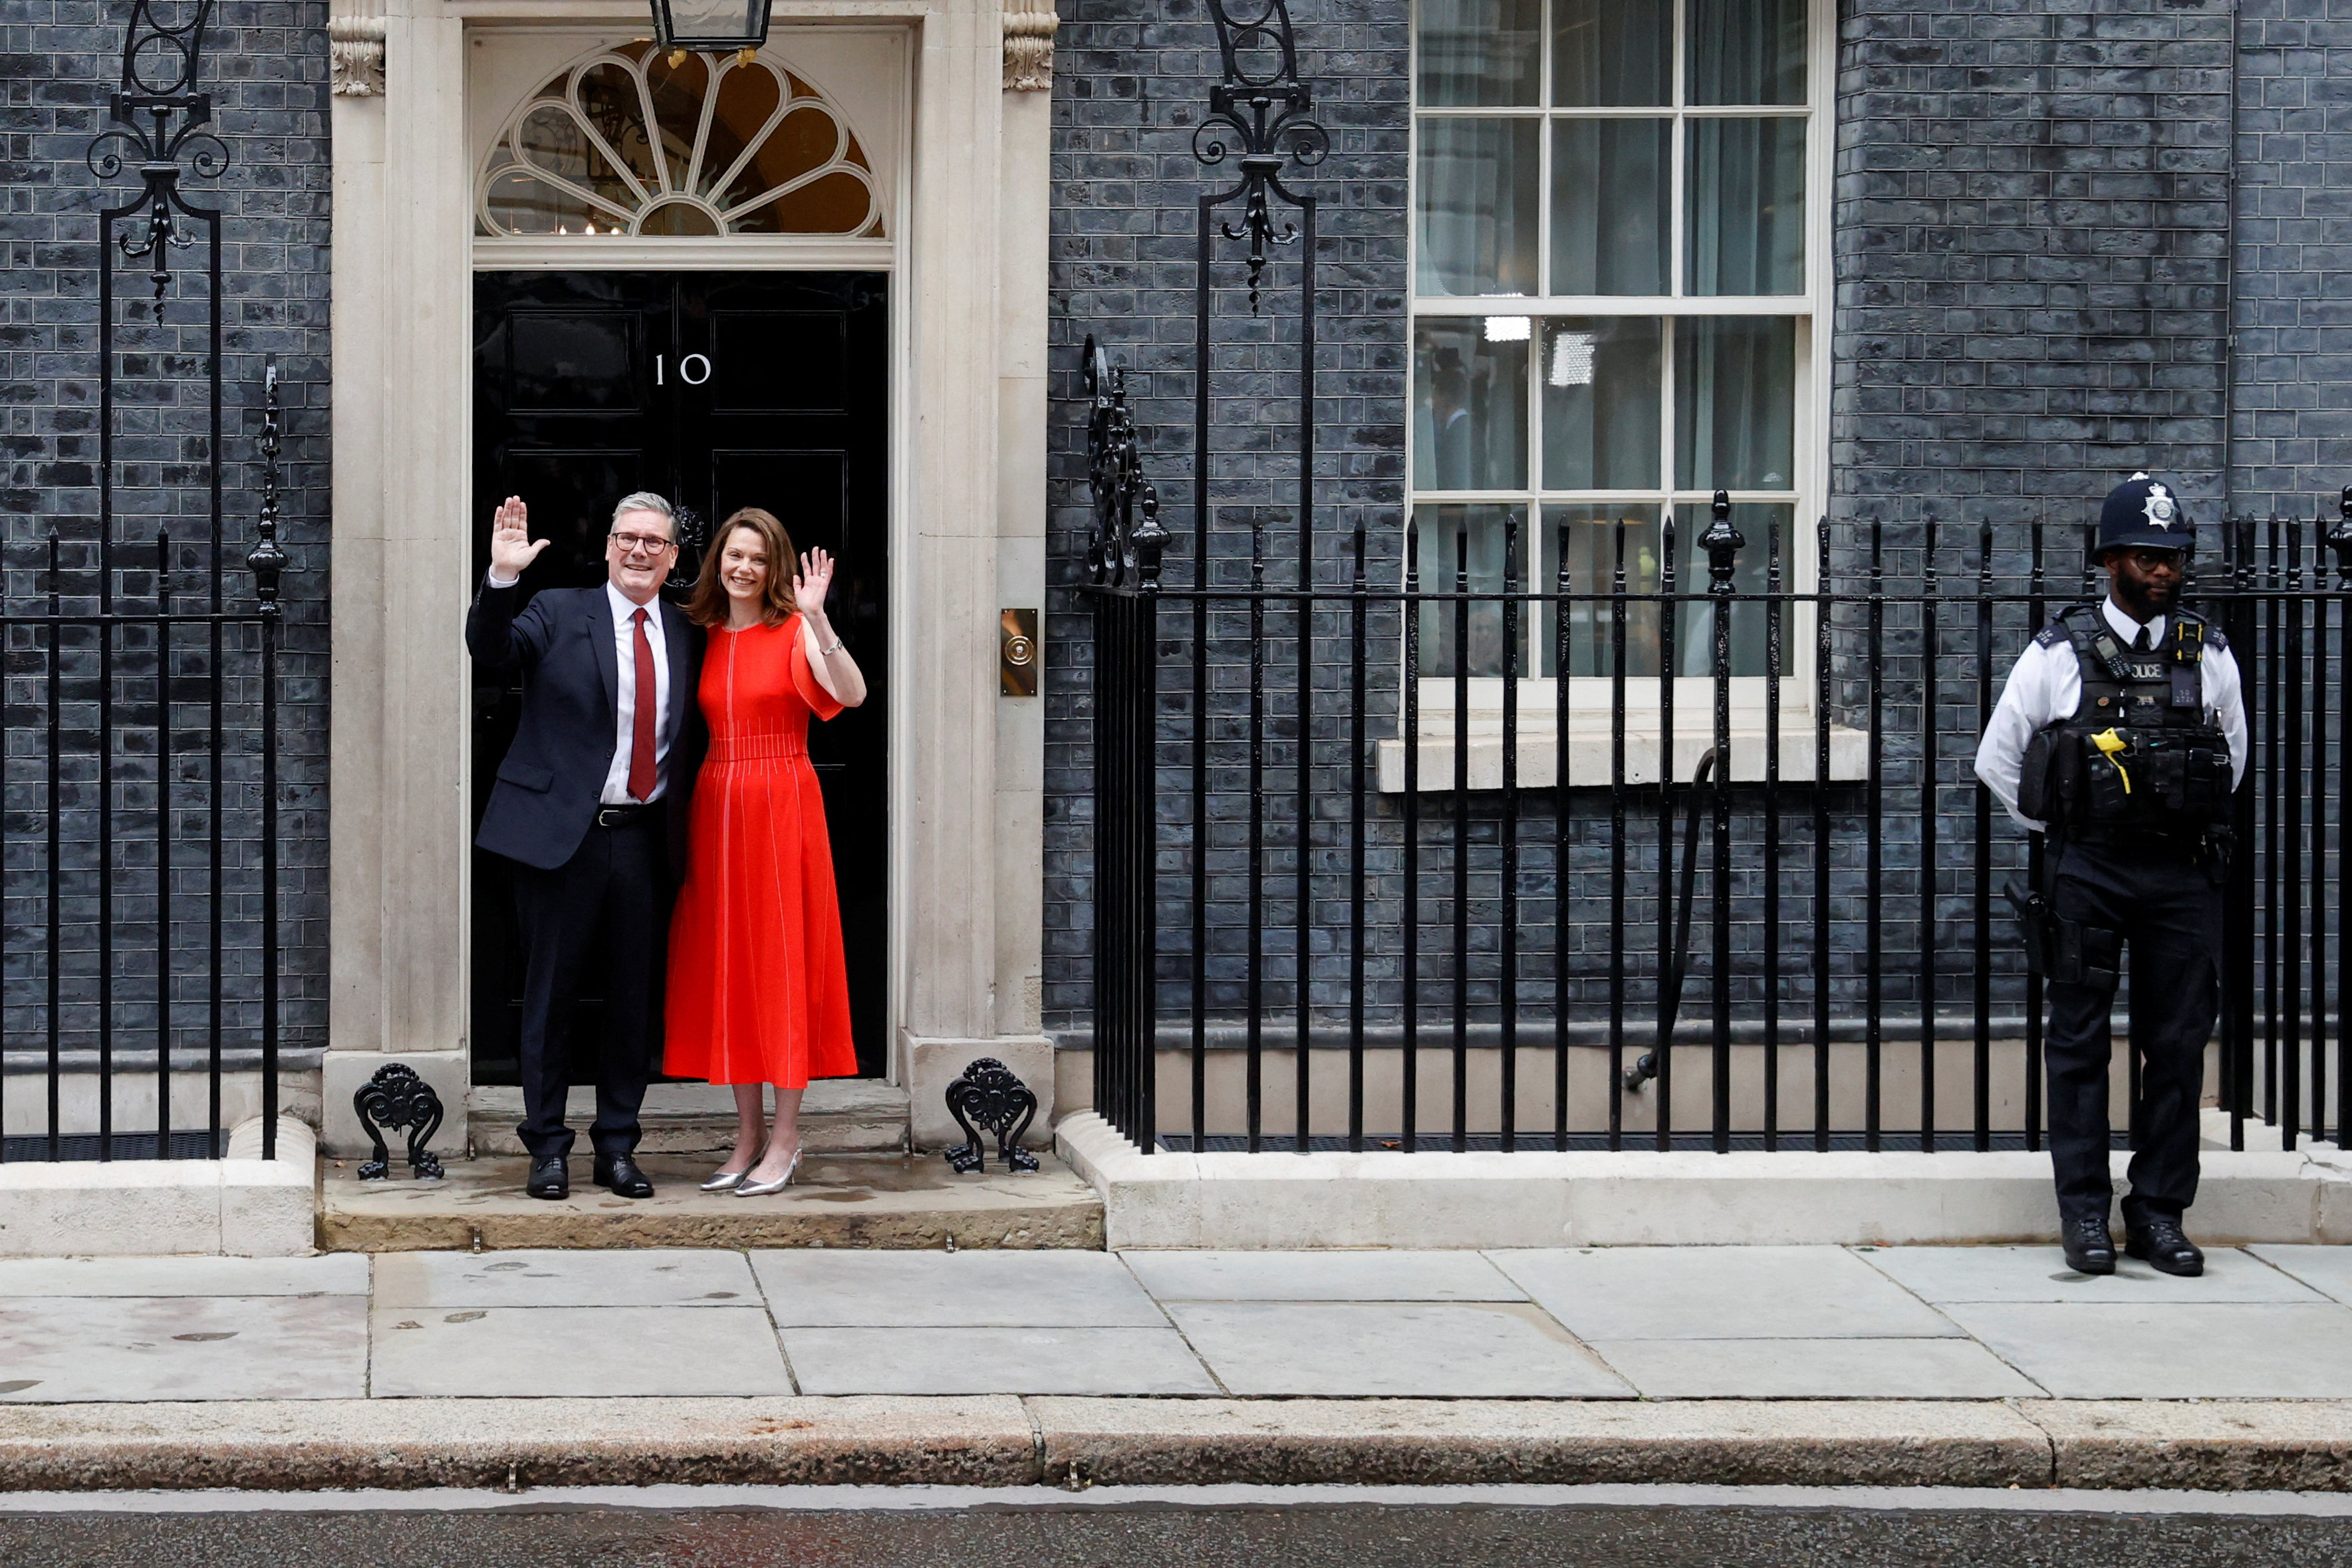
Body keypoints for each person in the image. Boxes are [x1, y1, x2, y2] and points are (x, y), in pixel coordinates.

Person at [1974, 473, 2248, 1278]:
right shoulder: (2059, 652)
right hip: (2087, 870)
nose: (2161, 570)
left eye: (2172, 556)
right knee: (2079, 1042)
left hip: (2179, 873)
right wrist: (2069, 830)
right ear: (2111, 561)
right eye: (2144, 555)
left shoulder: (2211, 654)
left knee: (2177, 1046)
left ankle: (2160, 1214)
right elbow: (1998, 760)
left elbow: (2232, 760)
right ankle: (2085, 1214)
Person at [467, 492, 705, 1202]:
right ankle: (546, 1149)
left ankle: (618, 1148)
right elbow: (492, 652)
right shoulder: (559, 610)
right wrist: (502, 578)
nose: (639, 551)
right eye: (627, 538)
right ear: (607, 546)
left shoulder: (689, 629)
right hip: (559, 840)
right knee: (550, 999)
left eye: (654, 543)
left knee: (632, 1003)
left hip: (641, 840)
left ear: (672, 558)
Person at [662, 507, 868, 1196]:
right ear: (718, 560)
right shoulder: (706, 633)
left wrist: (818, 618)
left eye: (757, 557)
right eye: (733, 555)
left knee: (781, 965)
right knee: (733, 968)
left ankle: (785, 1139)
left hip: (782, 801)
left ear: (775, 567)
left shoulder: (792, 632)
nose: (743, 567)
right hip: (717, 802)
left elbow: (852, 694)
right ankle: (745, 1137)